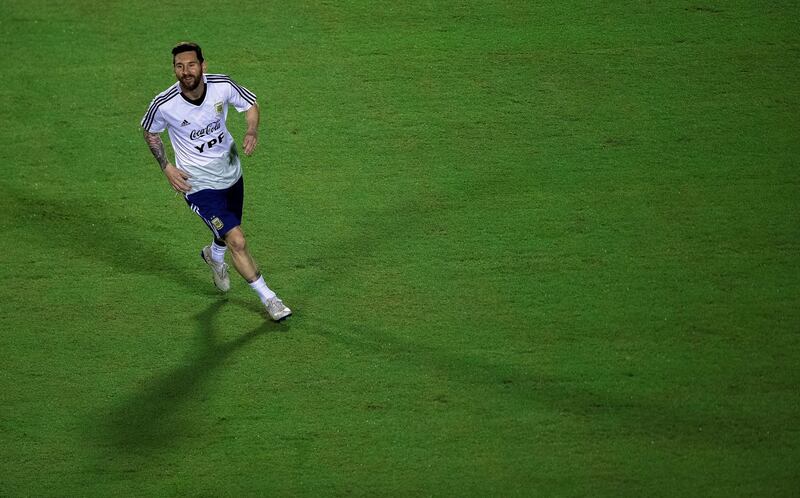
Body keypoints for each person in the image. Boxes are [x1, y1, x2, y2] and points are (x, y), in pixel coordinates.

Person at [141, 42, 291, 321]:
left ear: (203, 66)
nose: (185, 71)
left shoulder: (222, 85)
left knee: (228, 226)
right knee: (237, 240)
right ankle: (269, 298)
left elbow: (251, 104)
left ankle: (213, 254)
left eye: (191, 64)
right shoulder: (164, 104)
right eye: (179, 66)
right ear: (174, 69)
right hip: (196, 183)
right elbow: (149, 131)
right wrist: (166, 167)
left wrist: (252, 130)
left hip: (231, 169)